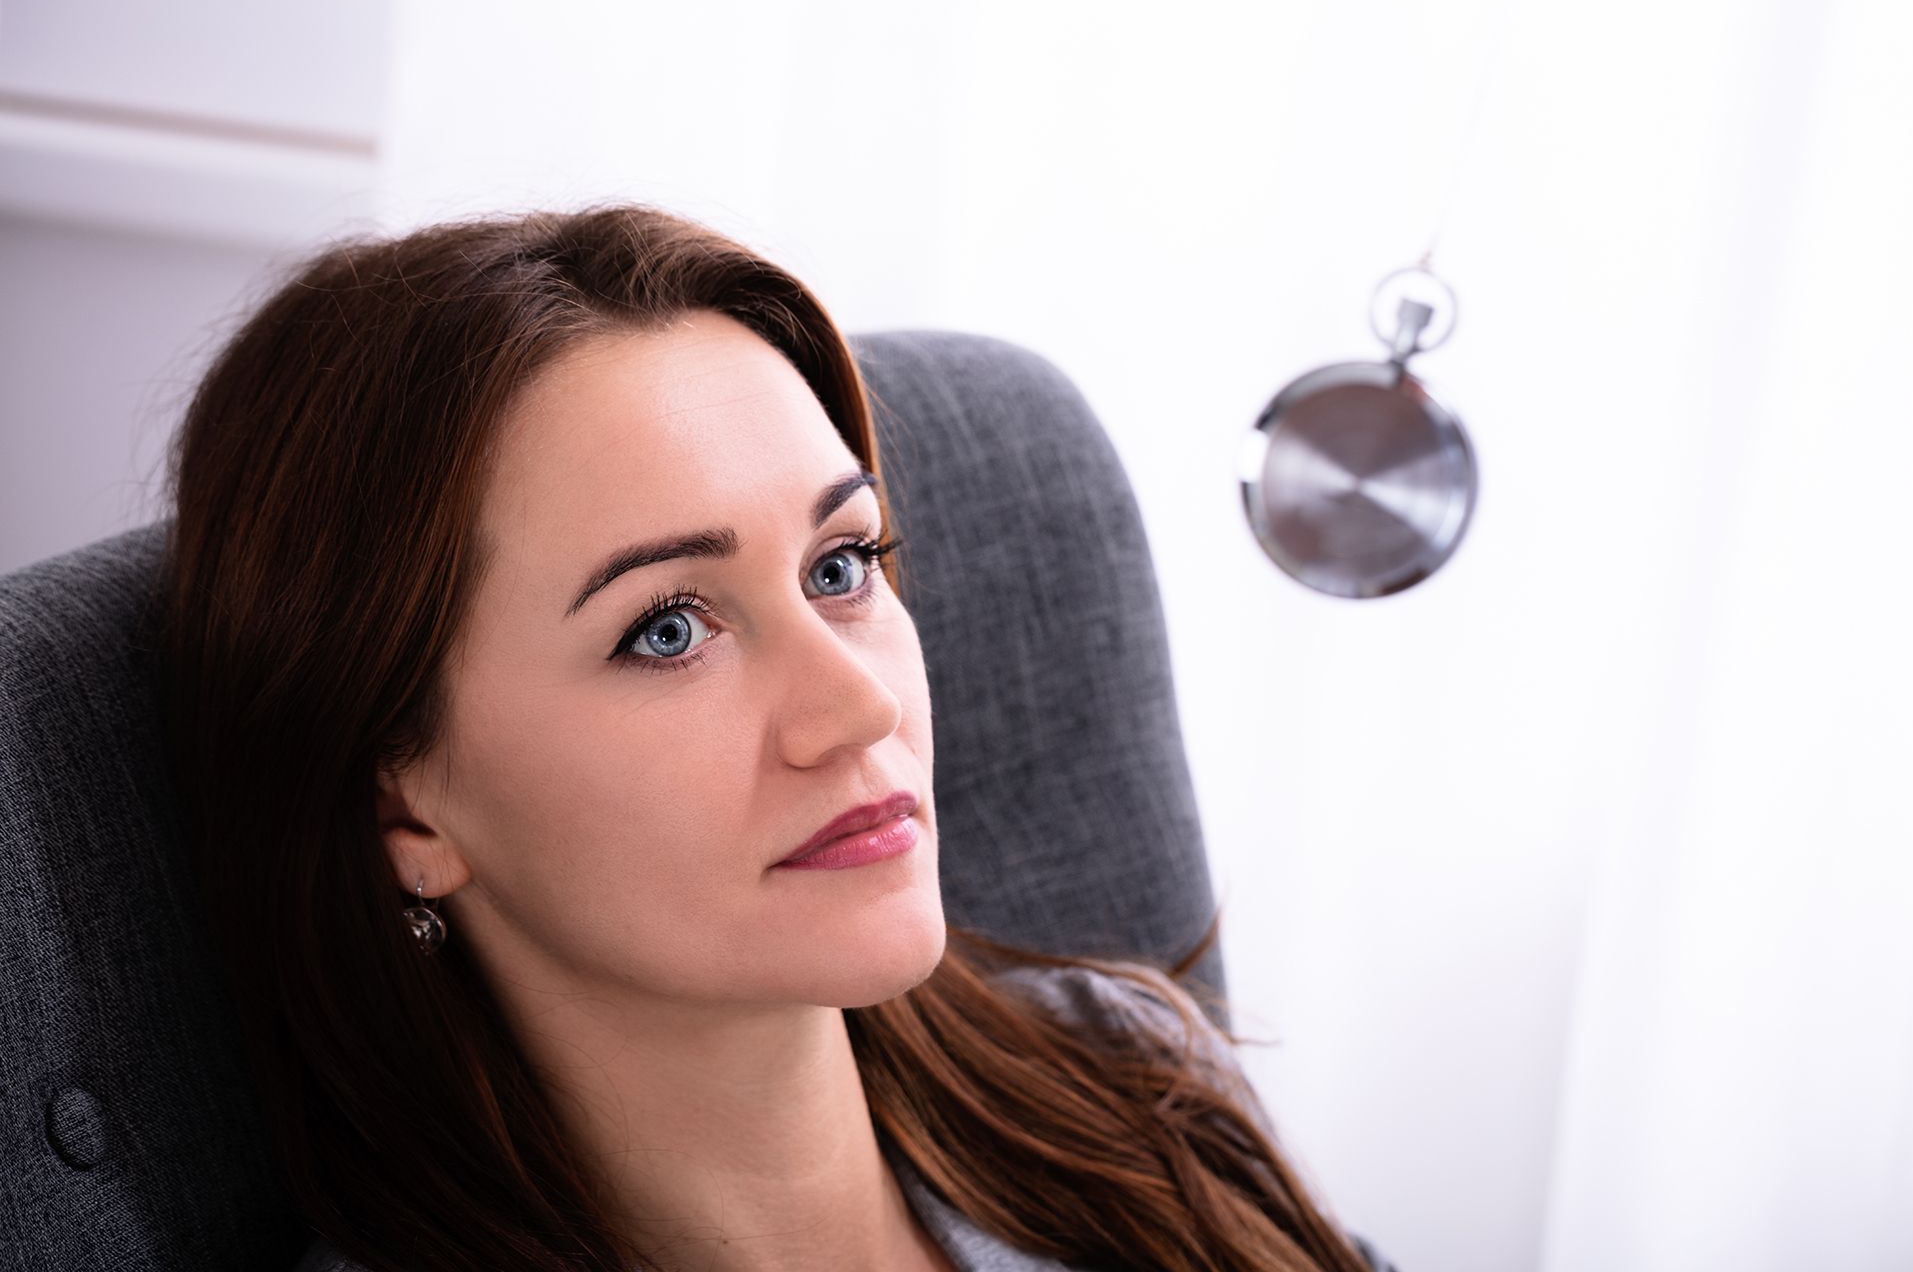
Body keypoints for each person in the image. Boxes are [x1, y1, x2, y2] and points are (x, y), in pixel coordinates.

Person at [158, 203, 1400, 1272]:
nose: (862, 707)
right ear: (406, 813)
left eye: (843, 563)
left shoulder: (1137, 1089)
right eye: (666, 630)